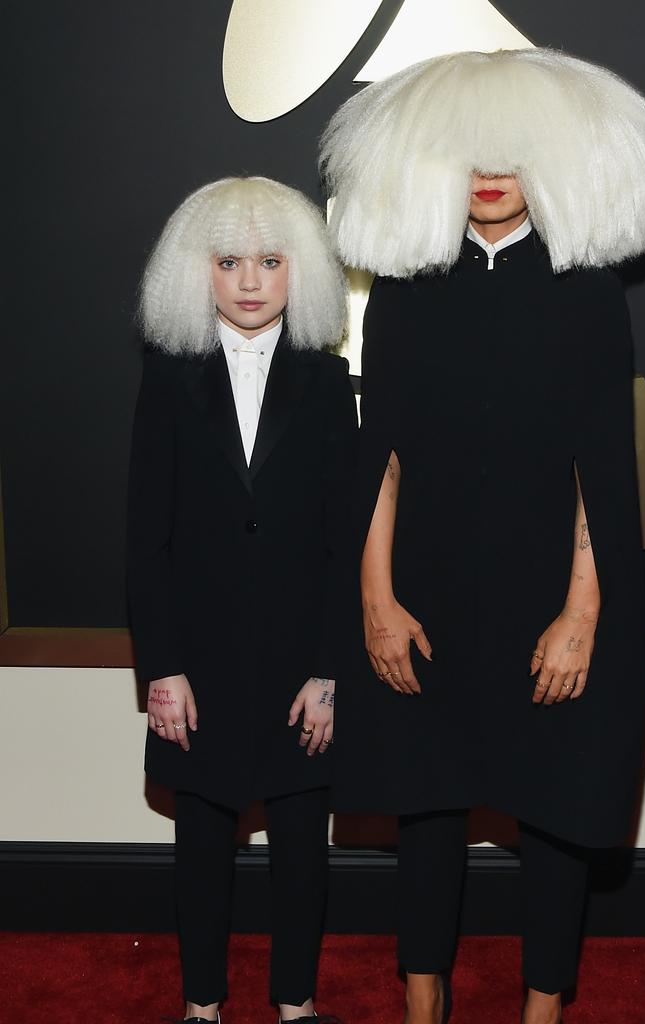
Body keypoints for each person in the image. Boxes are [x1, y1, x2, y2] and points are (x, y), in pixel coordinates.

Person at [320, 48, 645, 1024]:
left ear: (550, 163)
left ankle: (542, 1012)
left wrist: (582, 613)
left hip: (545, 595)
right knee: (427, 804)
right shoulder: (404, 287)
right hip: (427, 590)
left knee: (557, 813)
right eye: (470, 152)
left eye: (511, 154)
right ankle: (422, 1003)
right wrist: (376, 601)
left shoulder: (588, 292)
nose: (489, 173)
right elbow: (378, 456)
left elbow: (604, 470)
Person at [127, 176, 357, 1023]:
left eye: (270, 260)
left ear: (303, 273)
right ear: (199, 272)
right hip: (201, 671)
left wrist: (331, 671)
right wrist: (164, 669)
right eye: (230, 262)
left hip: (303, 669)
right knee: (200, 847)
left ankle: (296, 1006)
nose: (251, 281)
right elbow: (146, 541)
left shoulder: (331, 384)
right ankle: (202, 1007)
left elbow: (346, 544)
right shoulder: (168, 379)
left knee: (304, 850)